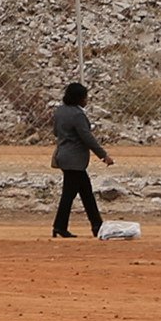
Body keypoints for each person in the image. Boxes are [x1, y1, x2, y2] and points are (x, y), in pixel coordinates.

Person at [49, 82, 114, 238]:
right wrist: (103, 155)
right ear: (78, 98)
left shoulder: (60, 112)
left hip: (63, 157)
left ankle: (95, 225)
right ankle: (62, 226)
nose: (87, 100)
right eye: (85, 97)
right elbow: (87, 138)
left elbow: (56, 132)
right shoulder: (78, 115)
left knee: (84, 193)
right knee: (72, 195)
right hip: (75, 161)